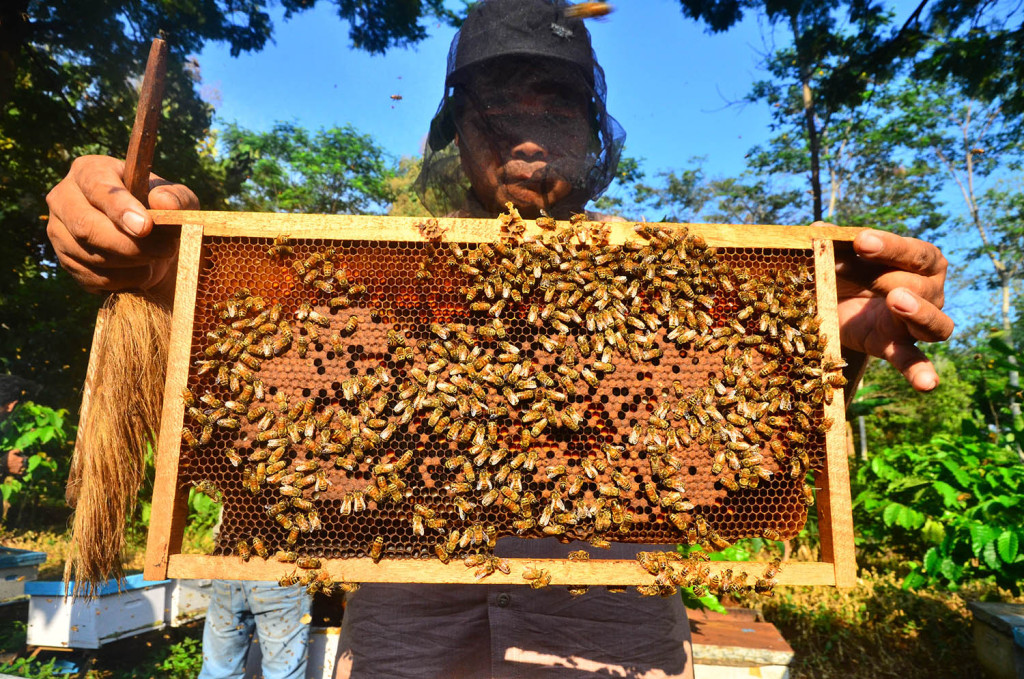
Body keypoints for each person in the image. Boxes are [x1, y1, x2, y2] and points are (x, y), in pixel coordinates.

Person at [45, 1, 953, 677]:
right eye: (497, 96)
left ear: (595, 128)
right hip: (405, 618)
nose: (528, 123)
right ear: (455, 127)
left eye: (554, 96)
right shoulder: (365, 277)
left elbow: (749, 435)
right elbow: (254, 382)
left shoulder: (687, 292)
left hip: (612, 631)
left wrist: (824, 346)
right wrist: (151, 256)